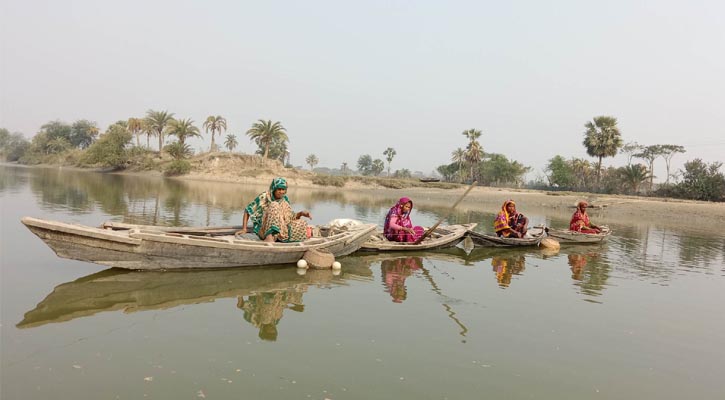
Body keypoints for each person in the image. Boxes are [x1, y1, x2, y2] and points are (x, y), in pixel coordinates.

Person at [235, 177, 312, 242]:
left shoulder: (285, 199)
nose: (281, 192)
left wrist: (301, 213)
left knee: (301, 223)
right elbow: (248, 210)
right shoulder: (265, 196)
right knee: (274, 205)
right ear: (274, 188)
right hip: (263, 228)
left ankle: (278, 236)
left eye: (283, 189)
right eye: (279, 189)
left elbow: (290, 216)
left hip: (280, 229)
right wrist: (244, 229)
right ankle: (269, 237)